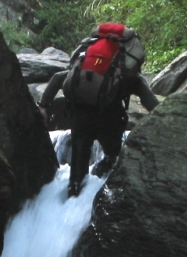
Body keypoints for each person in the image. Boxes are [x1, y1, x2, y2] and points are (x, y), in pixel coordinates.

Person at [39, 64, 159, 198]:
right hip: (109, 120)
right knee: (112, 158)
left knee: (77, 174)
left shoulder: (84, 67)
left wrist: (43, 106)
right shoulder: (126, 72)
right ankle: (102, 193)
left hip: (80, 118)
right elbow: (150, 101)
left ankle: (74, 194)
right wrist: (164, 115)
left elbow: (57, 78)